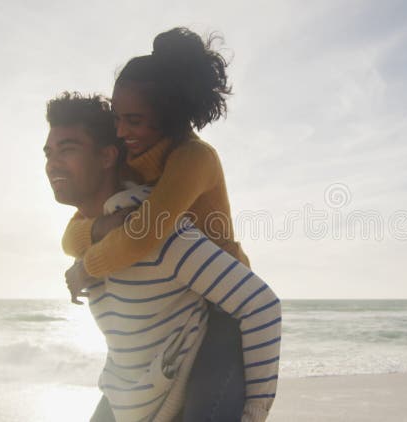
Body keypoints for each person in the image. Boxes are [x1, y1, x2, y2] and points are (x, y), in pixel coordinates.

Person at [60, 28, 271, 420]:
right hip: (173, 304)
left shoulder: (194, 158)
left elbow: (143, 237)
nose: (121, 132)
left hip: (221, 303)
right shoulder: (130, 158)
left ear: (169, 115)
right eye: (117, 118)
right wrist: (98, 232)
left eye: (134, 120)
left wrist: (86, 268)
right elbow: (72, 233)